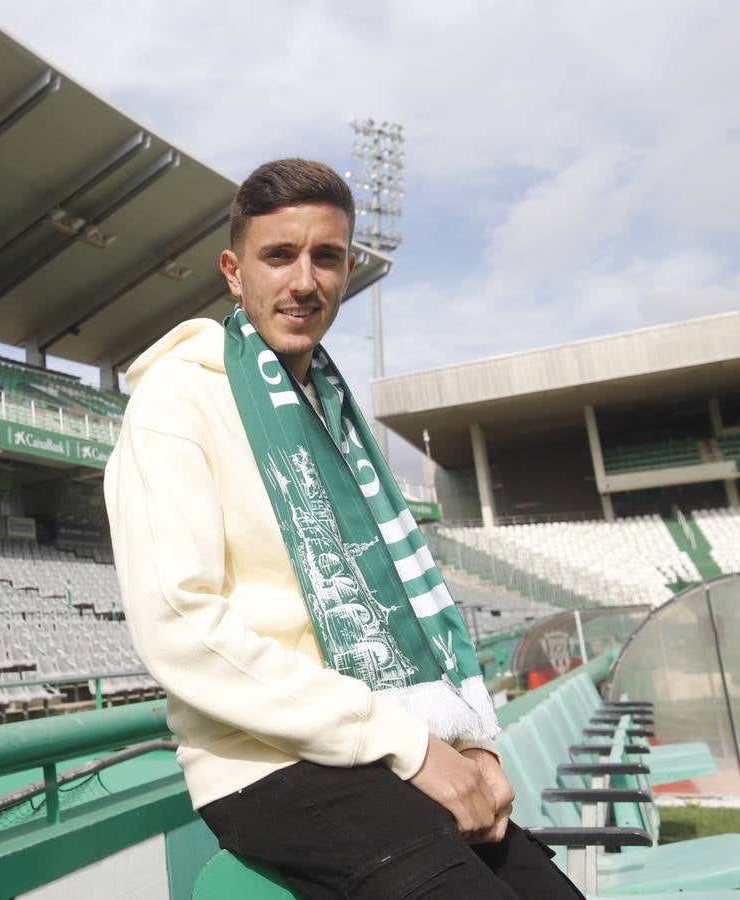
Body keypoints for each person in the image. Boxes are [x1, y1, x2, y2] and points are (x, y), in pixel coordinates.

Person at [103, 158, 582, 899]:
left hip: (387, 744)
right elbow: (180, 626)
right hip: (270, 765)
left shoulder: (333, 412)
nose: (304, 280)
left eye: (325, 256)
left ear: (348, 267)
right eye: (278, 255)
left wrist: (471, 743)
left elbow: (406, 615)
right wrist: (408, 745)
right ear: (234, 272)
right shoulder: (176, 400)